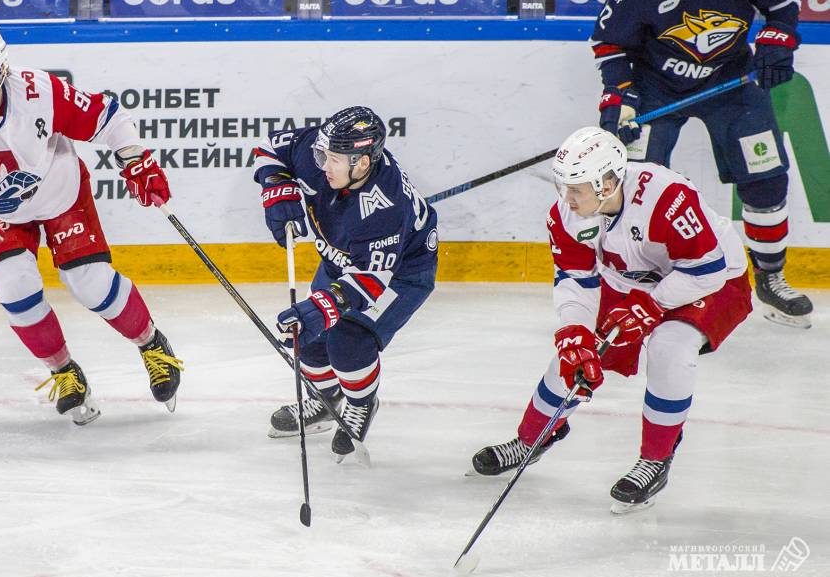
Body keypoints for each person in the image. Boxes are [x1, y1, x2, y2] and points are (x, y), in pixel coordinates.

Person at [0, 23, 183, 425]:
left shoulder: (39, 92)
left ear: (0, 70)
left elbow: (106, 116)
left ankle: (151, 343)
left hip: (61, 195)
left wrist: (134, 156)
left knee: (88, 282)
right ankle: (64, 371)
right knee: (14, 285)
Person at [471, 127, 751, 513]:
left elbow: (707, 270)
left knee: (671, 347)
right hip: (630, 283)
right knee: (574, 358)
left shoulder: (666, 198)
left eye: (577, 188)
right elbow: (575, 279)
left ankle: (655, 459)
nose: (567, 198)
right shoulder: (565, 215)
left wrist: (651, 306)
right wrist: (575, 331)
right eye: (563, 186)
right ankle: (531, 439)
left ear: (607, 182)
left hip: (709, 281)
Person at [591, 0, 813, 328]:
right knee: (630, 186)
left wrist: (775, 42)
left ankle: (770, 278)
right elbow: (609, 45)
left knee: (766, 176)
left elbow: (782, 5)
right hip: (657, 87)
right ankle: (630, 286)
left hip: (731, 81)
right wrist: (620, 96)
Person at [252, 106, 438, 461]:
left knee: (348, 341)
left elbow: (371, 280)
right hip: (342, 257)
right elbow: (269, 147)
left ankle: (361, 402)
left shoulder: (384, 206)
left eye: (335, 159)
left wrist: (323, 308)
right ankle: (325, 401)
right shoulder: (320, 152)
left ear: (363, 162)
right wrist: (276, 186)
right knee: (307, 342)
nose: (323, 165)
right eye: (323, 154)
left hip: (400, 273)